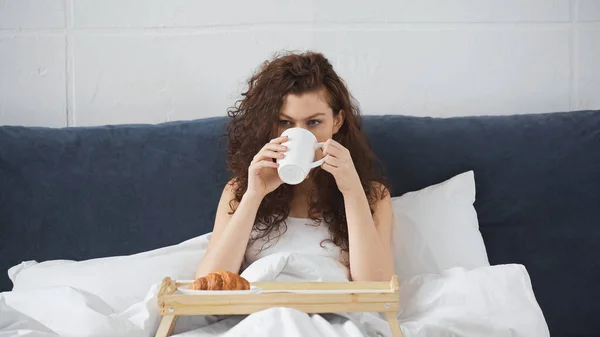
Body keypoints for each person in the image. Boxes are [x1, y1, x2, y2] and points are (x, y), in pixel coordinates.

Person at [195, 51, 394, 282]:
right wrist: (254, 196)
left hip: (333, 313)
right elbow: (208, 285)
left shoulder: (373, 196)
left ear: (337, 122)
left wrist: (352, 192)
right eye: (285, 122)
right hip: (262, 312)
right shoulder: (240, 190)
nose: (300, 134)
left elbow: (377, 289)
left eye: (314, 122)